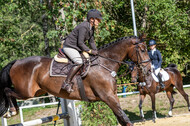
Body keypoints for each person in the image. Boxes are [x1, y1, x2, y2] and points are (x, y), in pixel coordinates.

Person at [61, 9, 102, 93]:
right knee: (79, 62)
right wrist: (90, 51)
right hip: (69, 46)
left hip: (76, 48)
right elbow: (80, 43)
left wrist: (97, 52)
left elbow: (91, 41)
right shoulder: (84, 26)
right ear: (92, 19)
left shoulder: (91, 28)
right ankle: (66, 83)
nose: (99, 21)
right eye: (98, 19)